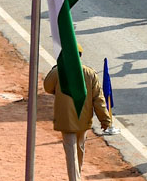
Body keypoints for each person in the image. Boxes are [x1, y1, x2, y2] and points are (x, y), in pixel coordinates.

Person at [44, 51, 112, 181]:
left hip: (66, 119)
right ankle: (77, 176)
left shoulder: (59, 71)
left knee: (71, 152)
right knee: (79, 149)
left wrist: (56, 69)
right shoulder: (89, 73)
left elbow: (47, 87)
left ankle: (75, 178)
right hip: (83, 118)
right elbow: (98, 99)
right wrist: (105, 120)